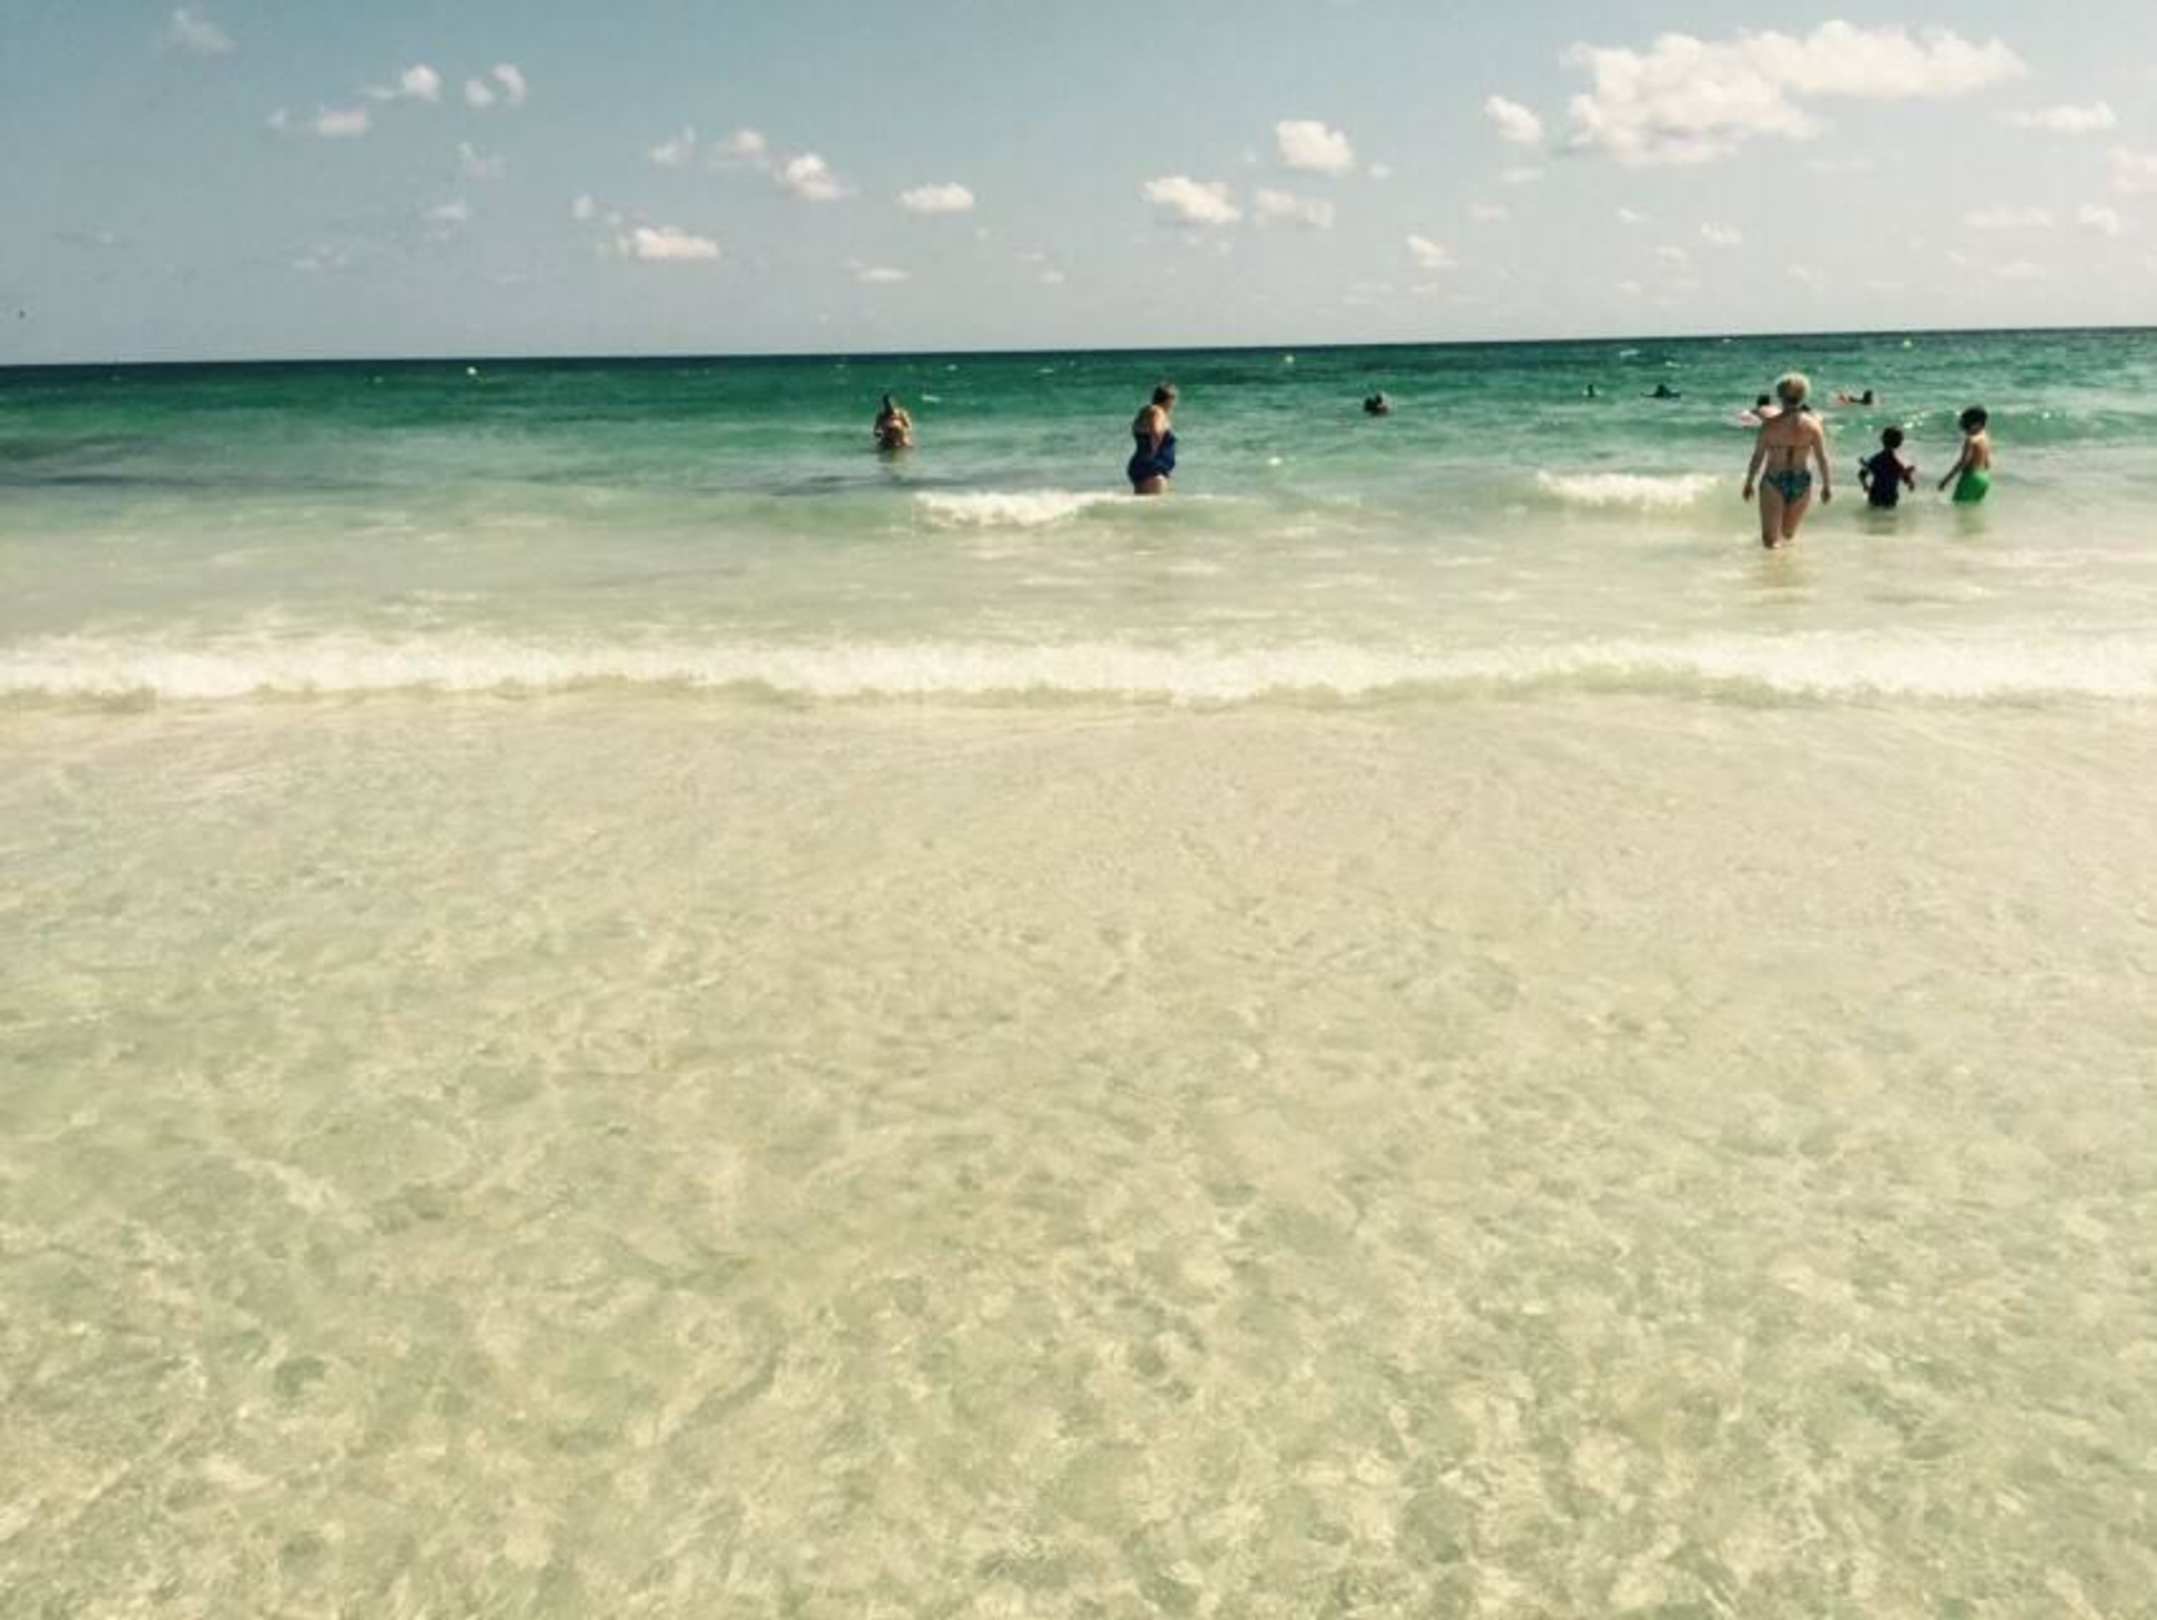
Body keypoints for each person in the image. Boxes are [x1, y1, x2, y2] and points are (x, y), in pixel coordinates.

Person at [1743, 371, 1833, 548]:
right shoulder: (1813, 426)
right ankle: (1785, 564)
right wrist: (1826, 486)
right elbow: (1822, 458)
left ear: (1780, 396)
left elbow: (1757, 457)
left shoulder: (1770, 425)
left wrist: (1749, 482)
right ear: (1803, 396)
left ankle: (1773, 564)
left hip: (1774, 480)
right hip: (1801, 481)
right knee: (1787, 535)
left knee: (1770, 540)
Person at [1128, 383, 1178, 495]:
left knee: (1142, 503)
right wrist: (1155, 456)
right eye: (1174, 401)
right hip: (1154, 469)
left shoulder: (1145, 412)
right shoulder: (1158, 411)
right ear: (1169, 400)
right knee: (1157, 504)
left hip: (1141, 465)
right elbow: (1155, 431)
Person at [1939, 406, 1994, 503]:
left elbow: (1963, 462)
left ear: (1976, 424)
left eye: (1966, 424)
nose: (1964, 428)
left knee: (1959, 506)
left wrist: (1946, 480)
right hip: (1984, 477)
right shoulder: (1985, 436)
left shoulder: (1971, 440)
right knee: (1972, 507)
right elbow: (1988, 462)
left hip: (1971, 477)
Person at [1859, 427, 1917, 510]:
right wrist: (1910, 481)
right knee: (1888, 516)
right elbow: (1902, 476)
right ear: (1899, 443)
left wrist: (1865, 486)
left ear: (1883, 441)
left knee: (1874, 515)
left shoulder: (1877, 458)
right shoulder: (1897, 461)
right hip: (1890, 496)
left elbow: (1861, 474)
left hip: (1875, 494)